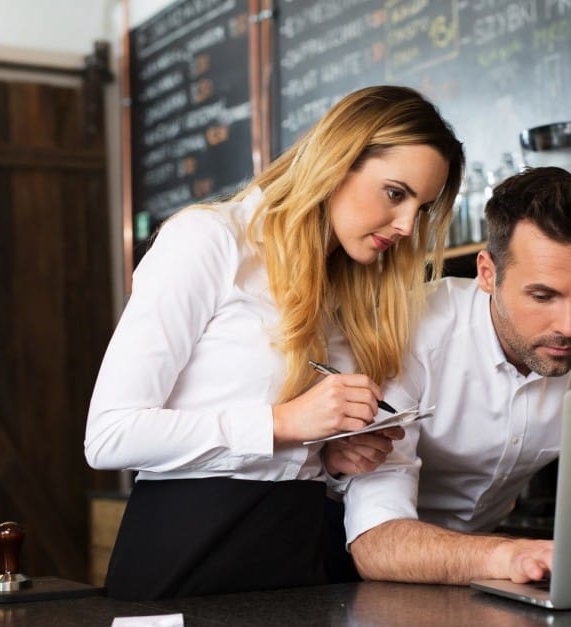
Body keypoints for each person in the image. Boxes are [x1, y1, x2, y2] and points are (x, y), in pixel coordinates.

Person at [84, 85, 465, 600]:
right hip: (185, 557)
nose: (404, 225)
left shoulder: (352, 287)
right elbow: (110, 436)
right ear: (337, 160)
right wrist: (285, 423)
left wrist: (331, 460)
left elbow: (287, 457)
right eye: (396, 193)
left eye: (421, 209)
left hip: (300, 561)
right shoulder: (209, 241)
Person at [326, 166, 571, 585]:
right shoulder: (410, 332)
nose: (570, 327)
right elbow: (376, 543)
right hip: (343, 566)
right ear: (488, 274)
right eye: (542, 296)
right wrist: (508, 555)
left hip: (486, 567)